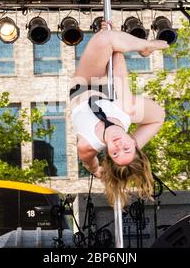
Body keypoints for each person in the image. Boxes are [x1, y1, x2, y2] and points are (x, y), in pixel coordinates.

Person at [70, 20, 168, 208]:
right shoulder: (126, 110)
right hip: (114, 96)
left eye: (115, 152)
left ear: (108, 153)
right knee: (156, 114)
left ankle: (138, 45)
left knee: (103, 39)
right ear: (133, 142)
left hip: (86, 87)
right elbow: (119, 71)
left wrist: (98, 171)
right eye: (127, 148)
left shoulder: (87, 144)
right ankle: (146, 46)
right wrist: (116, 40)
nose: (118, 145)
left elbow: (89, 163)